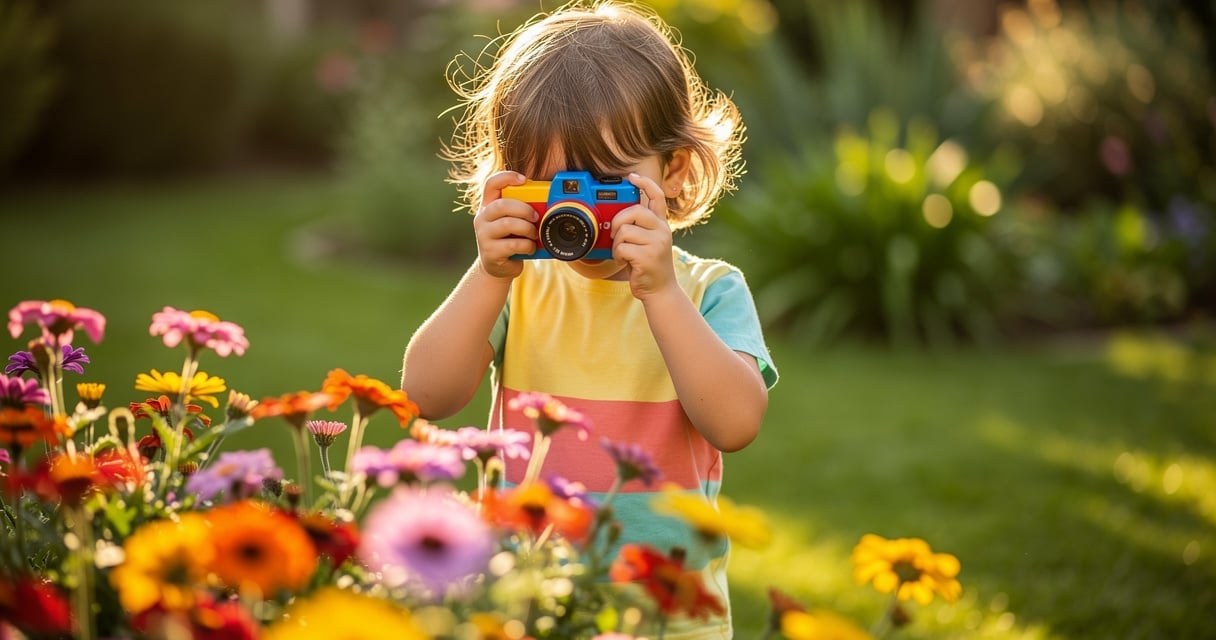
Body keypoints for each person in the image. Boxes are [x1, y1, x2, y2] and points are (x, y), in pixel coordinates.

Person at [401, 2, 778, 637]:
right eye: (554, 188)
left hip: (664, 613)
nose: (575, 216)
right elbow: (426, 395)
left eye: (605, 187)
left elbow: (735, 423)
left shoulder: (709, 291)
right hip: (526, 599)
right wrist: (489, 274)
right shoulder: (517, 287)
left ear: (674, 171)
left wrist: (660, 294)